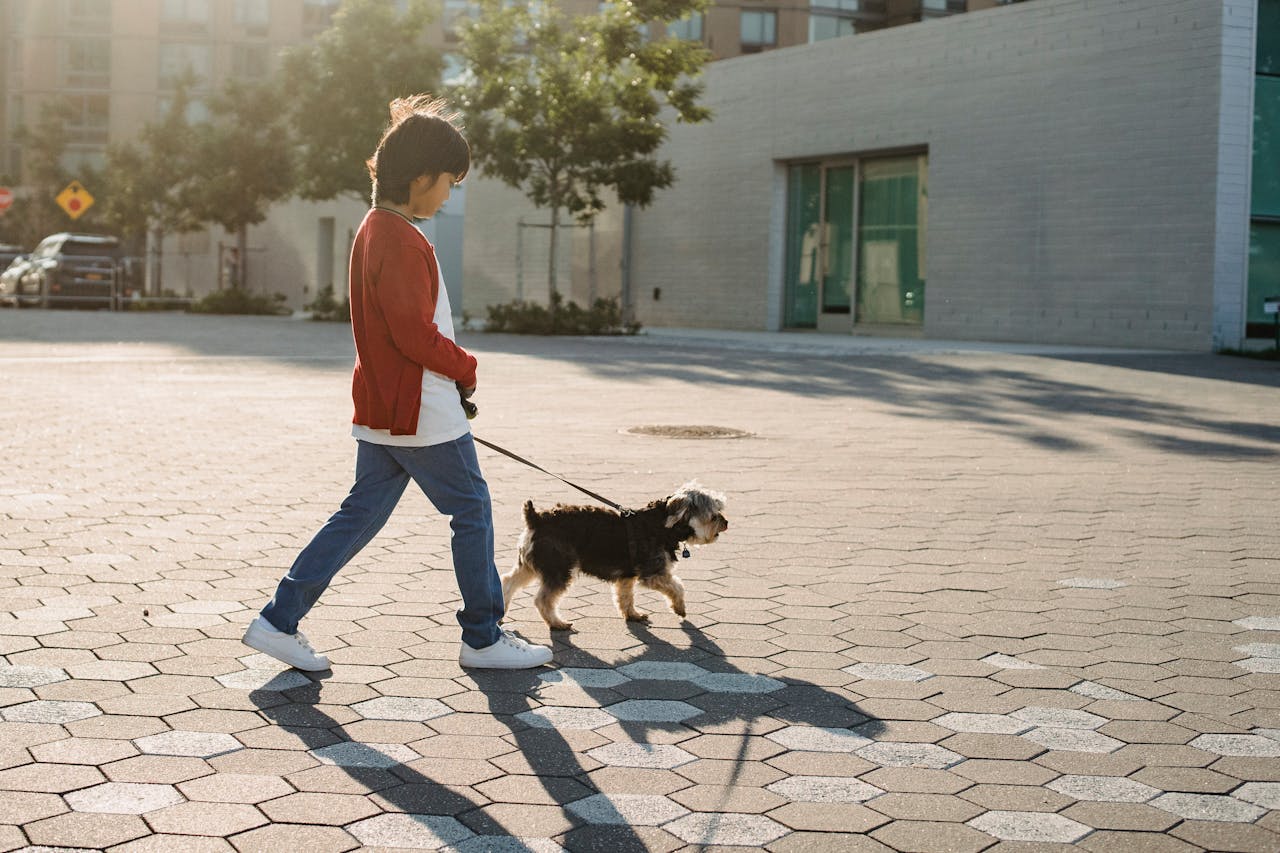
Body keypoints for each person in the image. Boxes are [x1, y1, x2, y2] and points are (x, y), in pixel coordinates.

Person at [242, 95, 553, 671]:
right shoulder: (402, 239)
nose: (448, 195)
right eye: (448, 183)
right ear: (419, 177)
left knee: (359, 515)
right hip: (422, 410)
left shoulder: (374, 228)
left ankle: (278, 619)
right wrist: (466, 366)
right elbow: (415, 335)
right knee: (473, 509)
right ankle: (483, 637)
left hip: (385, 408)